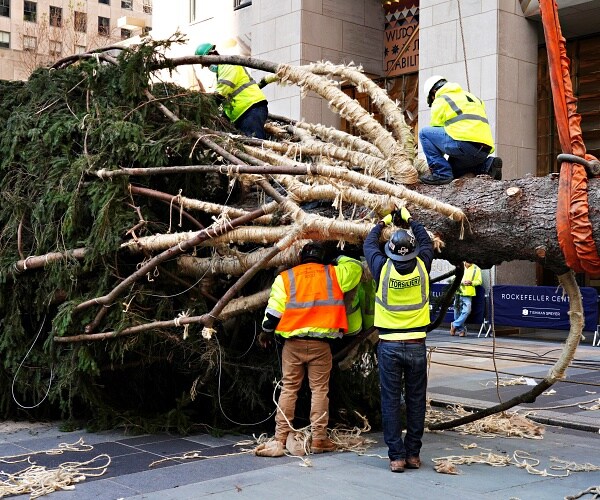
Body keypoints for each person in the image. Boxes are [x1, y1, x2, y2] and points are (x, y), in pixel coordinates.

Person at [259, 242, 362, 454]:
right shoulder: (333, 274)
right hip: (320, 346)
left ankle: (280, 438)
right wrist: (338, 258)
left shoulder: (286, 278)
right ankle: (319, 440)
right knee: (320, 391)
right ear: (323, 257)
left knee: (289, 388)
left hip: (293, 345)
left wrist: (266, 332)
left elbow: (272, 315)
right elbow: (356, 268)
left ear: (300, 257)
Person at [363, 207, 434, 473]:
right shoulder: (424, 264)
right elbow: (426, 241)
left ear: (390, 250)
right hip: (416, 344)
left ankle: (396, 457)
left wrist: (383, 221)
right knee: (416, 400)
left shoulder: (382, 267)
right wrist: (410, 219)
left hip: (389, 345)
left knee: (391, 400)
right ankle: (414, 454)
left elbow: (369, 243)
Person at [418, 75, 502, 185]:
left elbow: (435, 131)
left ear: (434, 92)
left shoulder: (441, 99)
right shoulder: (472, 97)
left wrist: (436, 163)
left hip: (464, 145)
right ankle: (488, 165)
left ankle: (441, 174)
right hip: (483, 150)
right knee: (454, 171)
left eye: (432, 99)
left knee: (425, 134)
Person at [195, 43, 269, 139]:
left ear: (212, 54)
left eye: (207, 64)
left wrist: (205, 108)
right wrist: (225, 117)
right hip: (244, 112)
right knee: (250, 144)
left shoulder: (227, 65)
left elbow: (221, 94)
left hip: (250, 108)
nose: (208, 67)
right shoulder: (222, 70)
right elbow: (229, 97)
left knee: (256, 143)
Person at [451, 262, 482, 337]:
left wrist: (471, 282)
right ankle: (461, 330)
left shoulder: (476, 269)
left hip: (468, 294)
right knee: (457, 312)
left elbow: (479, 281)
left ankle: (454, 325)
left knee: (466, 311)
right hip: (458, 292)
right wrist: (461, 282)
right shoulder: (459, 266)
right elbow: (452, 278)